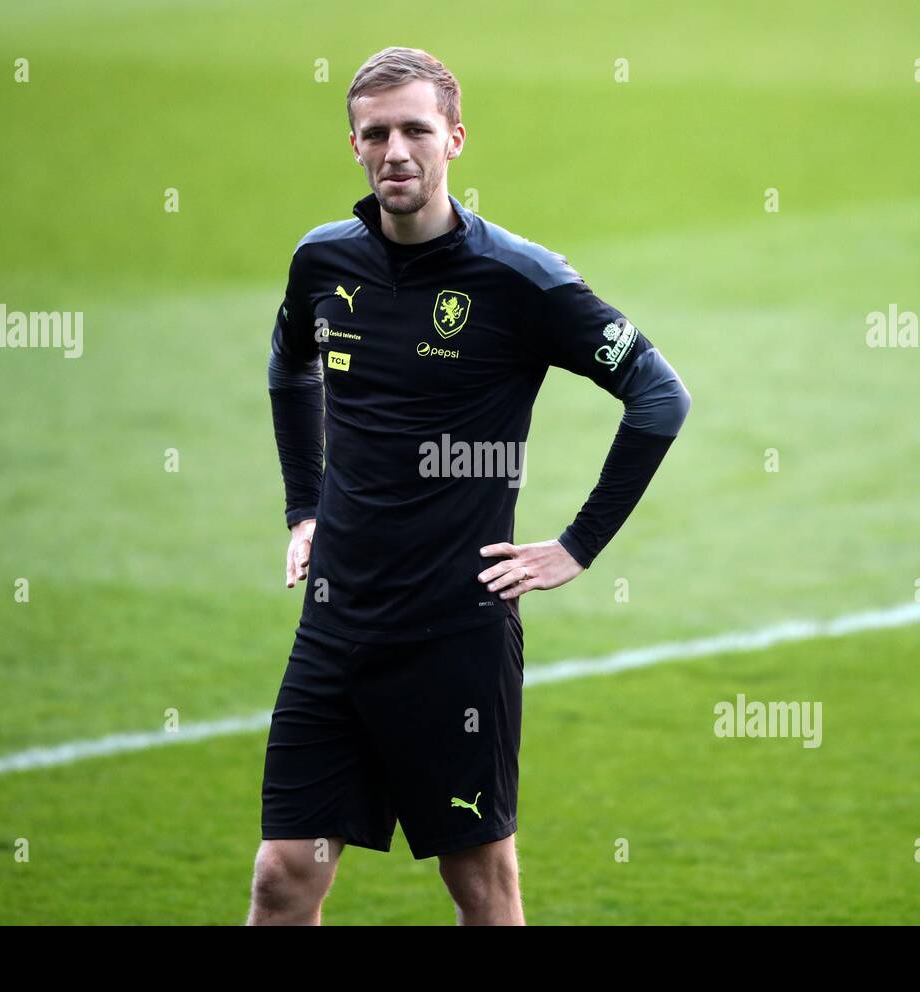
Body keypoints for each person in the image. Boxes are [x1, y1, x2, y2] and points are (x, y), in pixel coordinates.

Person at [249, 46, 690, 926]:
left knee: (481, 889)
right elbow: (288, 369)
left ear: (455, 138)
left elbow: (659, 396)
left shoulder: (521, 280)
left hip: (454, 633)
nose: (396, 152)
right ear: (354, 147)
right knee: (282, 874)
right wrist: (304, 507)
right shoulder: (323, 263)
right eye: (376, 134)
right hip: (337, 622)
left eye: (416, 129)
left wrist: (576, 547)